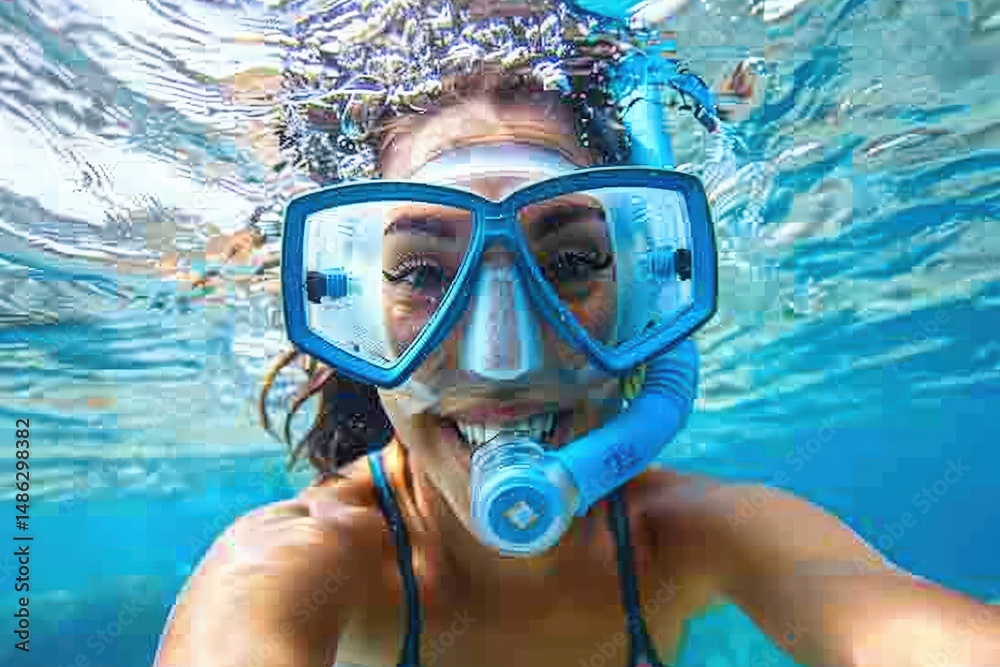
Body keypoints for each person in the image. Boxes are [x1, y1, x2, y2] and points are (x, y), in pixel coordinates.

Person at [154, 3, 998, 667]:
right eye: (419, 272)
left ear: (647, 299)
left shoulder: (694, 535)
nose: (502, 358)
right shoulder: (297, 566)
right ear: (351, 313)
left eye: (569, 261)